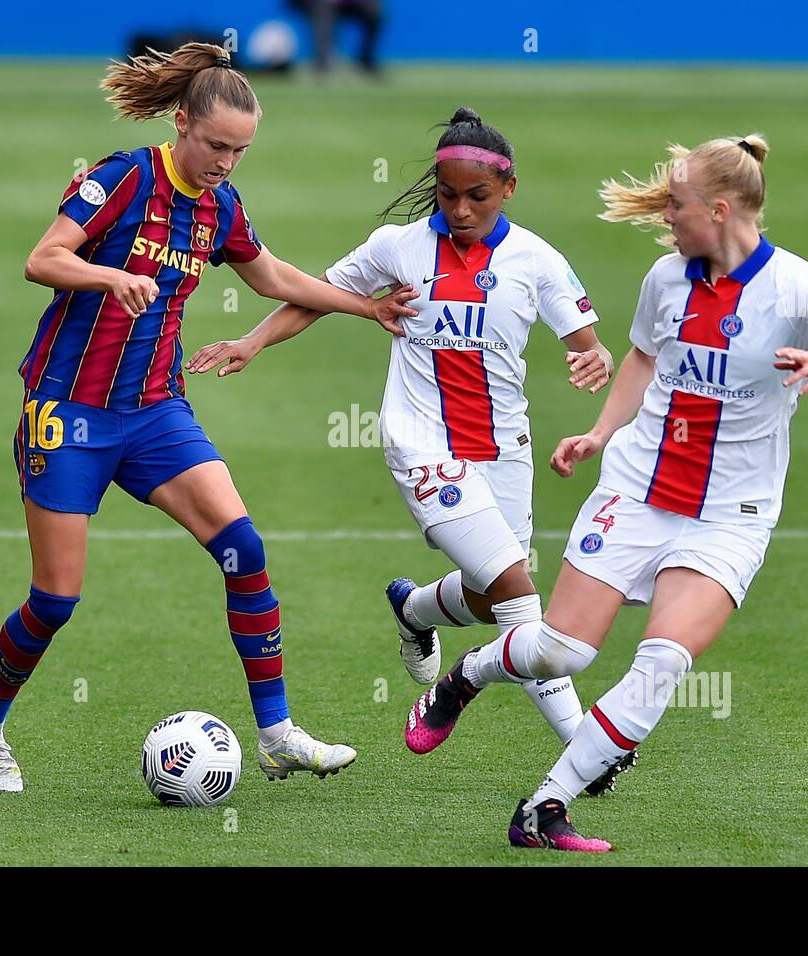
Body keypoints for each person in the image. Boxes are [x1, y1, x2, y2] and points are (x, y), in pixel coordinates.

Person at [402, 133, 808, 851]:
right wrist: (600, 433)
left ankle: (544, 807)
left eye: (677, 204)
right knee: (561, 653)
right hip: (637, 490)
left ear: (719, 210)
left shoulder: (796, 286)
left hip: (731, 515)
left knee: (662, 663)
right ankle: (466, 676)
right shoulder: (667, 277)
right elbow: (642, 356)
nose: (666, 216)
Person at [0, 42, 420, 793]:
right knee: (56, 599)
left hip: (154, 412)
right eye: (216, 146)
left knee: (245, 549)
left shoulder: (221, 206)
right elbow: (43, 259)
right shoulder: (123, 177)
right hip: (67, 413)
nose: (225, 163)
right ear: (182, 123)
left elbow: (271, 275)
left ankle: (276, 735)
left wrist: (364, 307)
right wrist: (109, 276)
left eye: (240, 151)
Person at [186, 107, 616, 757]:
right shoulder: (399, 247)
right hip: (421, 445)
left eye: (478, 196)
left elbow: (587, 343)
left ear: (508, 189)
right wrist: (253, 340)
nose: (461, 210)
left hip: (504, 449)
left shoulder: (538, 261)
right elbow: (317, 293)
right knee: (518, 599)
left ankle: (414, 609)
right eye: (448, 195)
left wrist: (595, 357)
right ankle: (585, 749)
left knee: (484, 598)